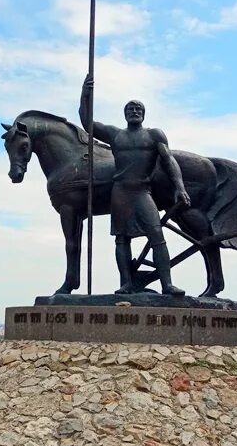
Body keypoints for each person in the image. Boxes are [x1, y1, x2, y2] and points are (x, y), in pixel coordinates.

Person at [80, 74, 190, 295]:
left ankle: (167, 284)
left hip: (142, 192)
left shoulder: (154, 135)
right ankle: (127, 283)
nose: (134, 111)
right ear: (125, 114)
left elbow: (169, 161)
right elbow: (87, 123)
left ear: (144, 114)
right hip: (120, 192)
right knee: (122, 240)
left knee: (157, 236)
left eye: (138, 109)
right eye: (130, 109)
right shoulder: (115, 134)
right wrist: (85, 94)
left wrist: (180, 187)